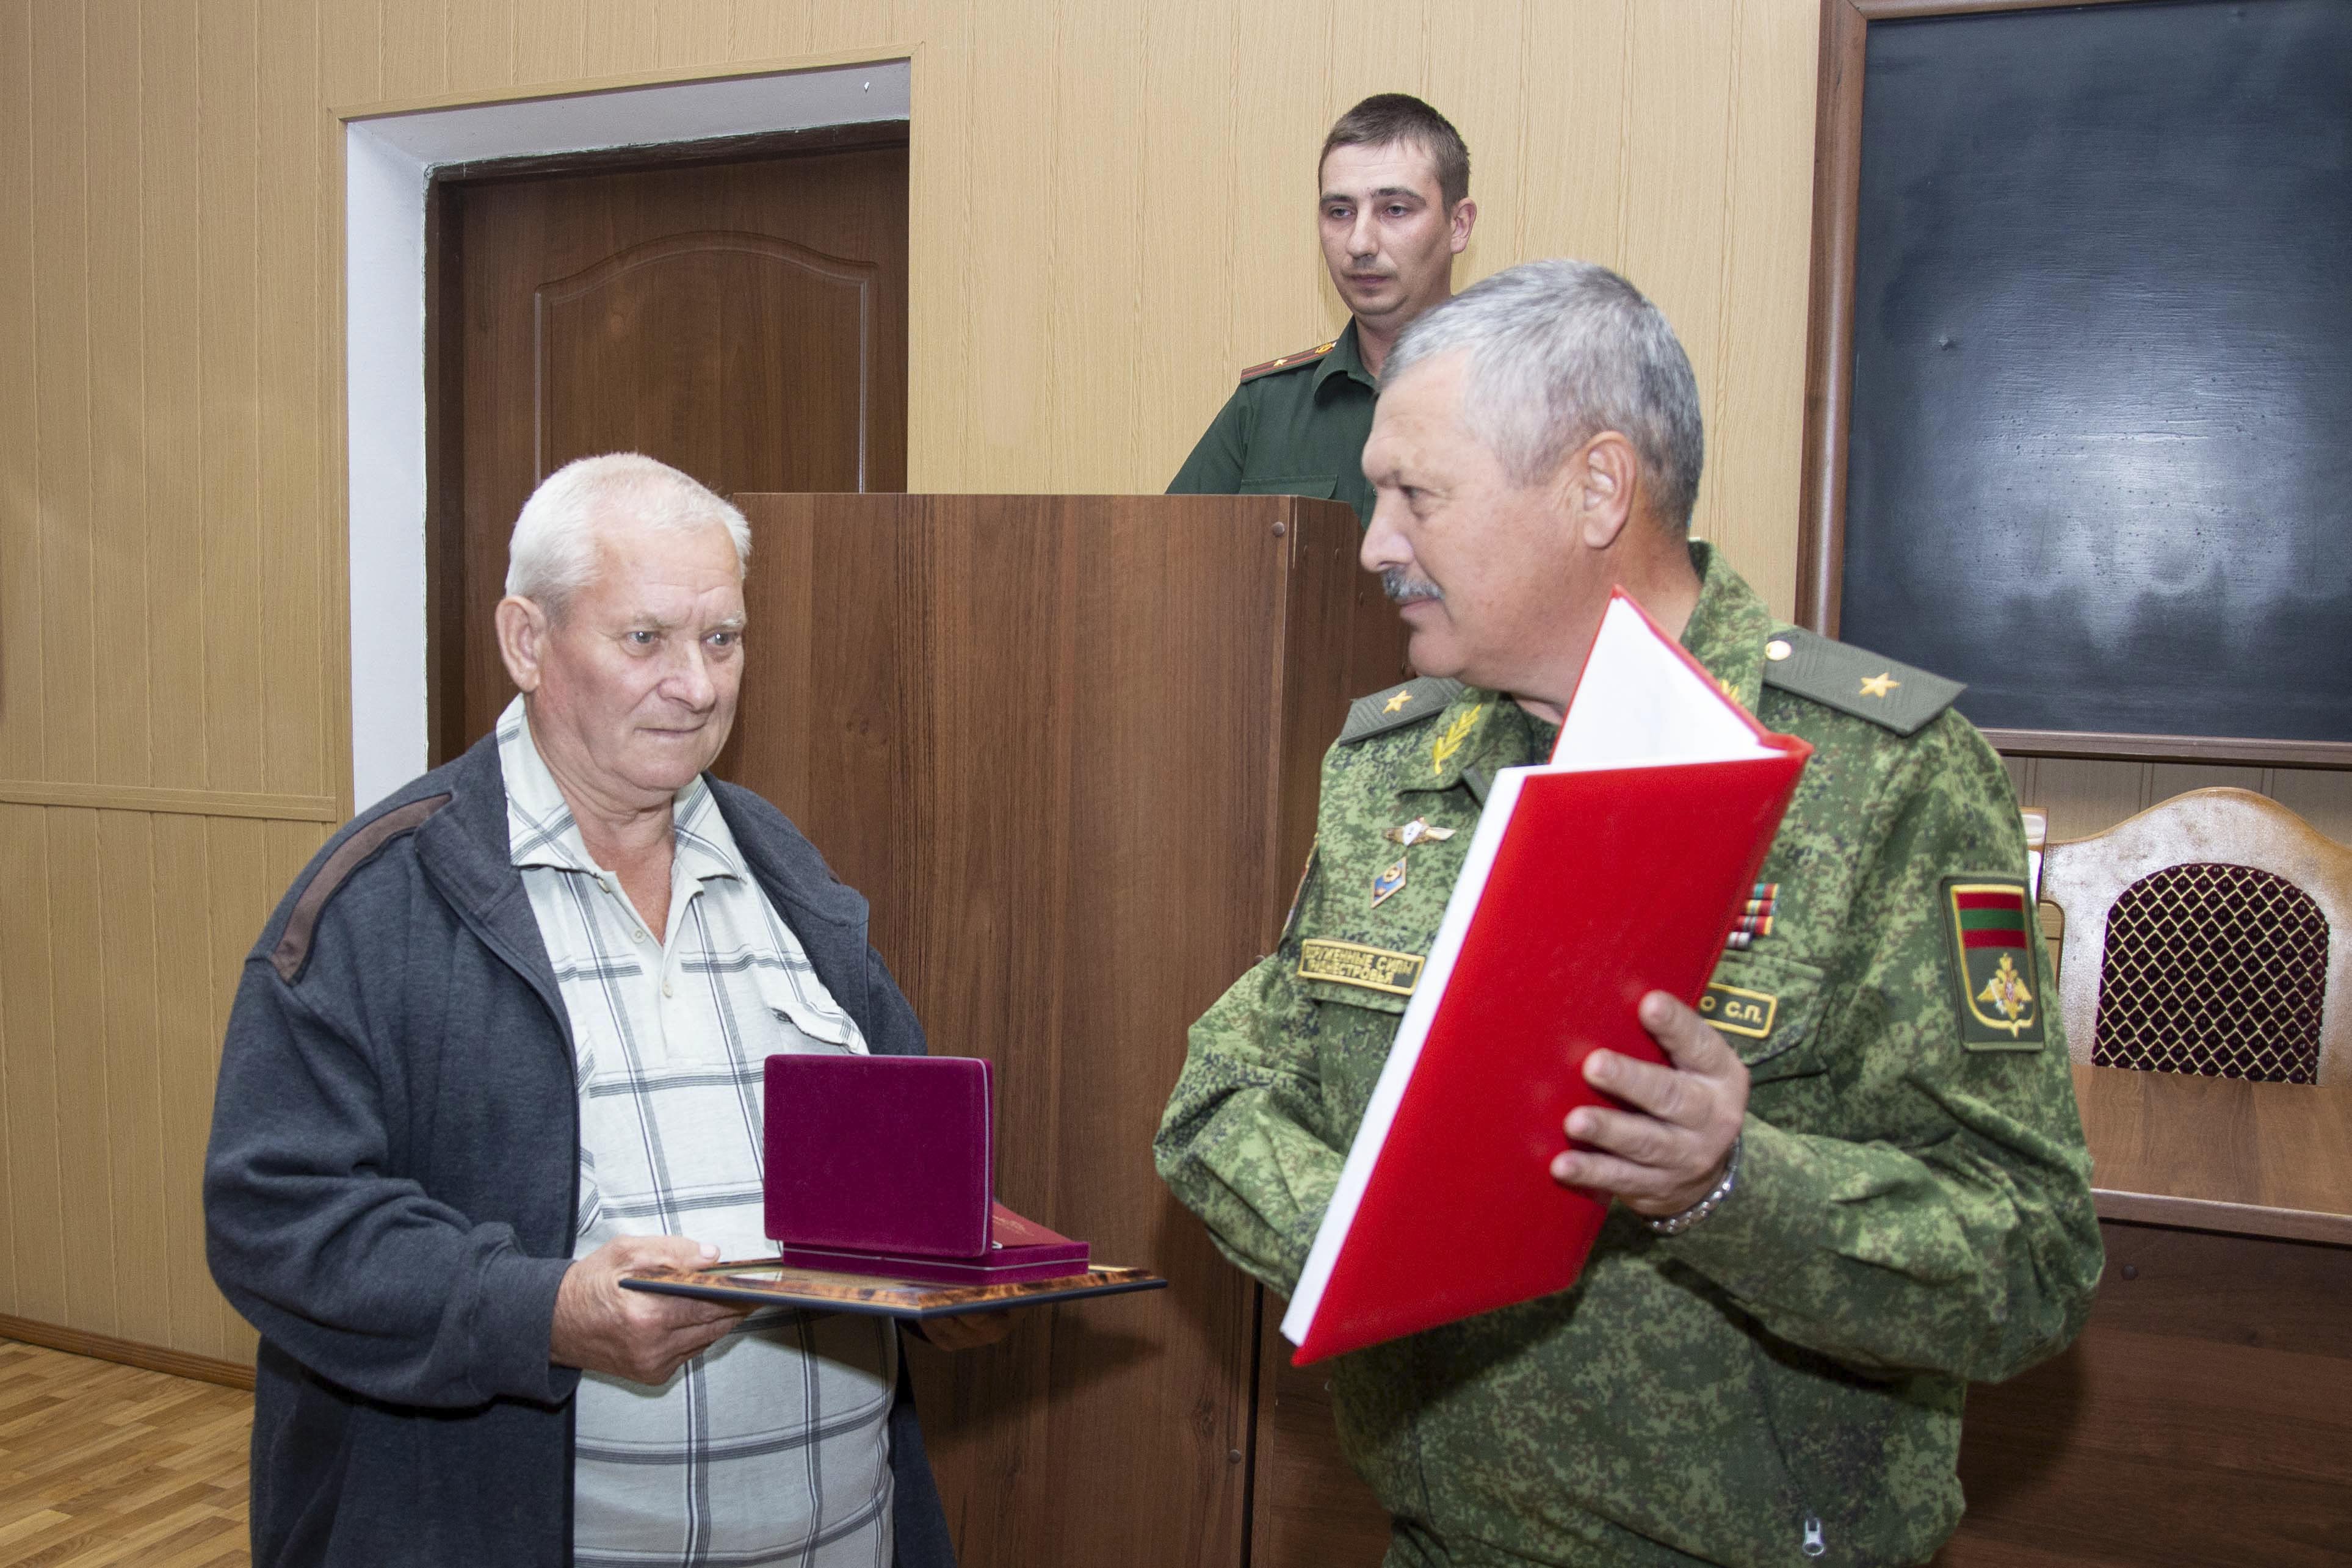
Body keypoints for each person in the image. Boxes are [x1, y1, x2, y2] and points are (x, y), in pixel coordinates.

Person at [1154, 261, 2102, 1567]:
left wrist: (1732, 1185)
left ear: (1597, 488)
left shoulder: (1882, 778)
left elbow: (2030, 1257)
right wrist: (1379, 1238)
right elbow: (1222, 1095)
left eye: (1416, 496)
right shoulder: (1395, 764)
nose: (1373, 543)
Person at [206, 453, 994, 1568]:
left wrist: (964, 1256)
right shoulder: (379, 901)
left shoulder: (787, 873)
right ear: (527, 640)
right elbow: (273, 1215)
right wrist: (542, 1310)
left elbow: (914, 1151)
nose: (697, 684)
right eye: (645, 638)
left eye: (722, 638)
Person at [1168, 92, 1477, 526]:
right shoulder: (1267, 408)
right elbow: (1165, 554)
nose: (1360, 243)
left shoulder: (1527, 400)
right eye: (1340, 212)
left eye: (1394, 210)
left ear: (1458, 226)